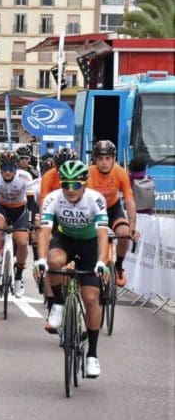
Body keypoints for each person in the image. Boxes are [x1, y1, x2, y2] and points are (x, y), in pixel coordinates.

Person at [34, 159, 109, 378]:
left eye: (75, 185)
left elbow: (103, 236)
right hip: (65, 239)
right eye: (65, 184)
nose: (69, 189)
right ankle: (57, 303)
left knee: (91, 297)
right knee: (53, 260)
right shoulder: (53, 199)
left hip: (89, 245)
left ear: (84, 184)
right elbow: (45, 231)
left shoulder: (96, 199)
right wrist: (40, 260)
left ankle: (92, 355)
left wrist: (102, 263)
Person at [87, 140, 138, 287]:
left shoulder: (120, 173)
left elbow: (129, 200)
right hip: (93, 210)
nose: (104, 162)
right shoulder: (89, 173)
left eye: (107, 158)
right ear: (95, 159)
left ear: (114, 159)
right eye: (100, 158)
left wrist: (132, 226)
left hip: (113, 209)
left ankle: (118, 266)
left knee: (124, 233)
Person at [0, 150, 33, 298]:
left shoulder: (25, 177)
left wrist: (32, 220)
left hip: (19, 210)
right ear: (0, 168)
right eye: (4, 168)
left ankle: (18, 278)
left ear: (16, 169)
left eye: (11, 169)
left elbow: (31, 202)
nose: (8, 172)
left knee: (22, 241)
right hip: (1, 207)